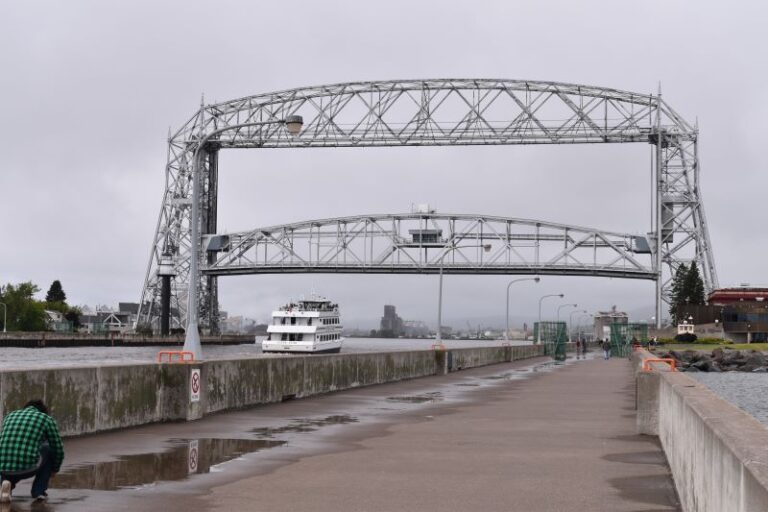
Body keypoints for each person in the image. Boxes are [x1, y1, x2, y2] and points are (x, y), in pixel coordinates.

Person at [0, 400, 64, 503]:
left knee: (10, 459)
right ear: (43, 411)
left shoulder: (10, 415)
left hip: (2, 469)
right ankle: (39, 491)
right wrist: (55, 469)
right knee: (48, 449)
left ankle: (5, 484)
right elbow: (58, 448)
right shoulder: (46, 419)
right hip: (27, 468)